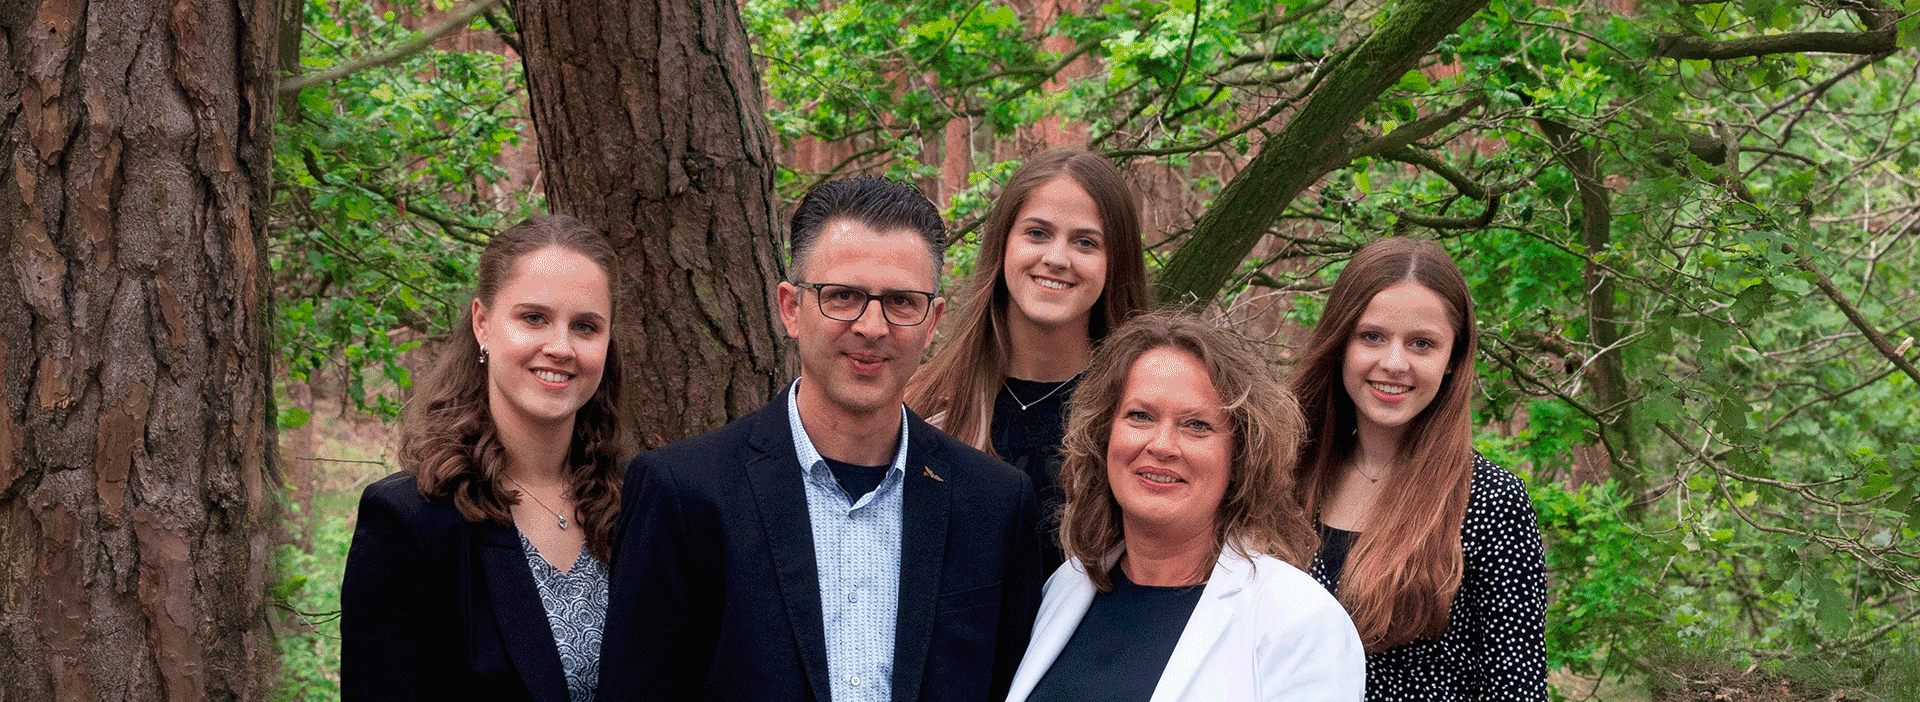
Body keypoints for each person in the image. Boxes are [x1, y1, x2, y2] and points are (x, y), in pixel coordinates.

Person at [596, 176, 1045, 702]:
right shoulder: (684, 494)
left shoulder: (995, 505)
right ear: (791, 308)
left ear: (932, 322)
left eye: (901, 301)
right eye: (843, 296)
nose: (872, 326)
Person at [1004, 311, 1365, 702]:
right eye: (1140, 416)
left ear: (1240, 457)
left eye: (1196, 425)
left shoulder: (1301, 623)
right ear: (1104, 436)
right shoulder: (1064, 587)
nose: (1162, 445)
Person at [340, 215, 625, 702]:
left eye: (585, 327)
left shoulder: (640, 503)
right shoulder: (410, 521)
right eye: (533, 318)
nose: (560, 347)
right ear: (482, 323)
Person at [1290, 237, 1548, 700]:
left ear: (1452, 360)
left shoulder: (1492, 502)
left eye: (1421, 344)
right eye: (1372, 336)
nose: (1394, 363)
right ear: (1340, 343)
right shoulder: (1284, 476)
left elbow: (1517, 690)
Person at [908, 148, 1151, 570]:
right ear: (1003, 243)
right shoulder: (924, 404)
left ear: (1115, 262)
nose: (1056, 259)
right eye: (1037, 233)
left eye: (1085, 242)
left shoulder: (1143, 415)